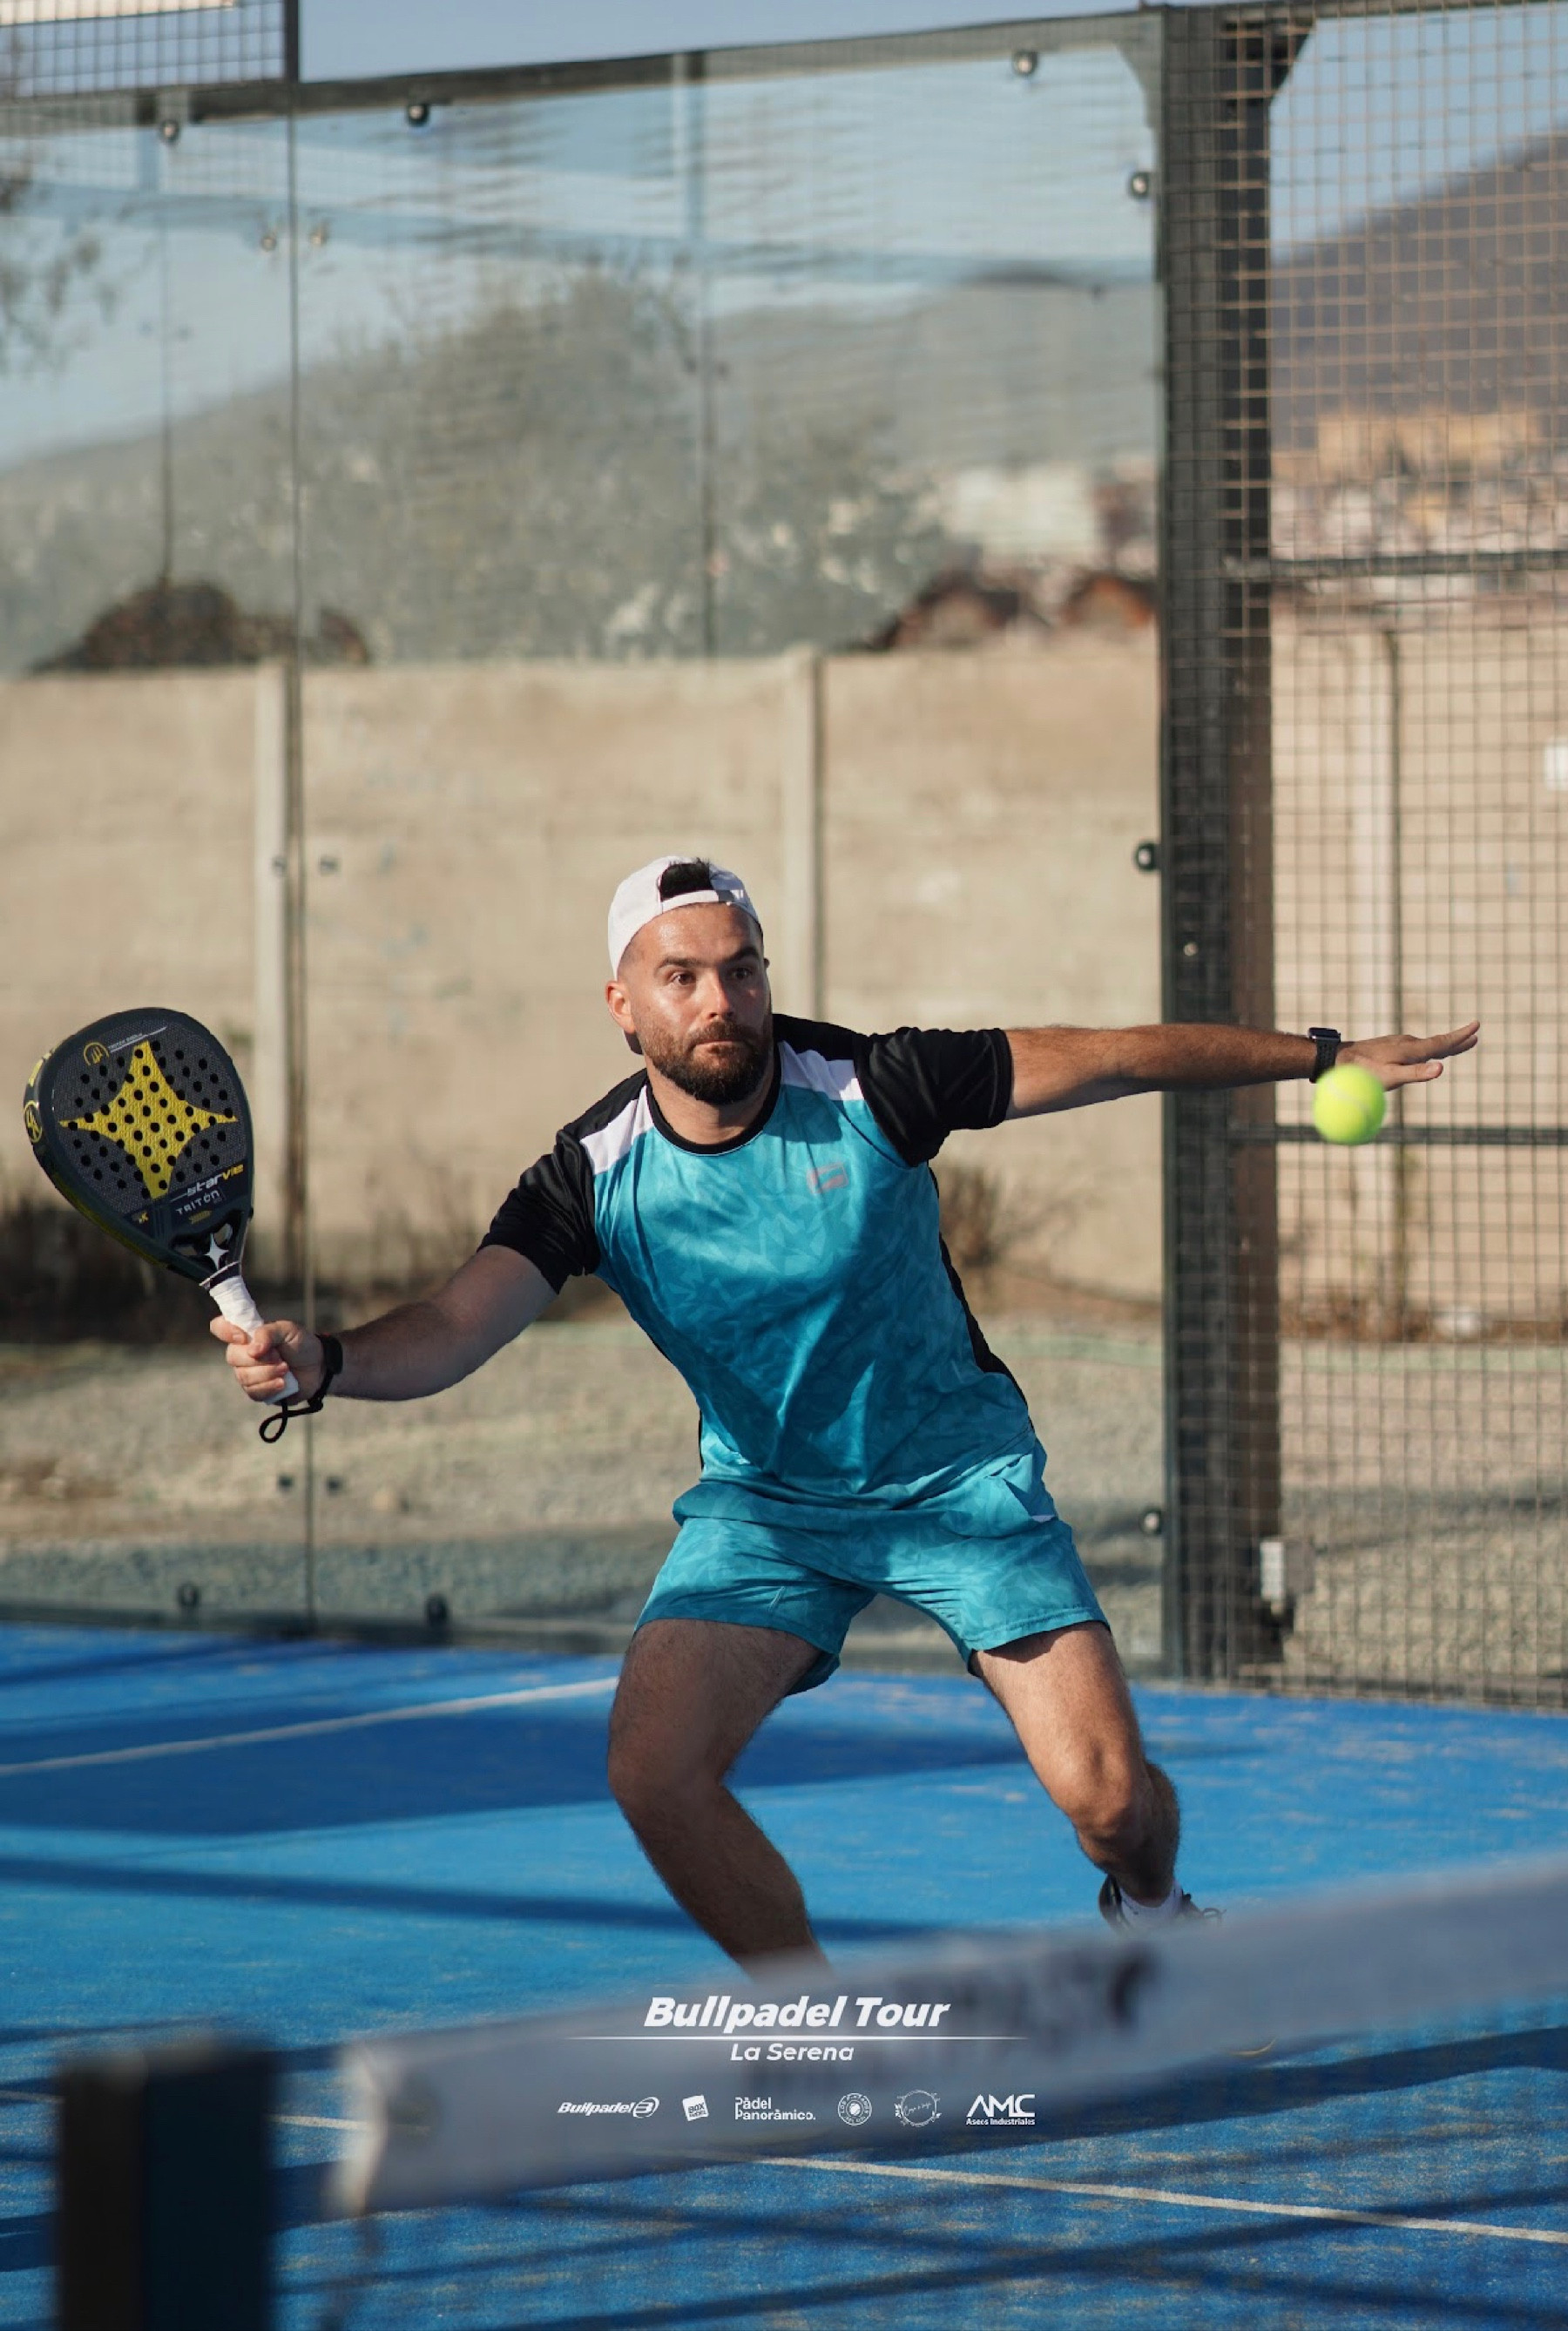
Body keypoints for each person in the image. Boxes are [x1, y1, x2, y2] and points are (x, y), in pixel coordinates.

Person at [214, 855, 1478, 1966]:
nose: (719, 1000)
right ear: (622, 1005)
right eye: (680, 978)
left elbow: (1115, 1056)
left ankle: (1155, 1913)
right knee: (654, 1771)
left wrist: (1320, 1055)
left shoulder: (878, 1084)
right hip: (769, 1510)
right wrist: (326, 1361)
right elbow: (454, 1325)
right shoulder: (589, 1178)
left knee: (1106, 1803)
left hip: (957, 1483)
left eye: (740, 970)